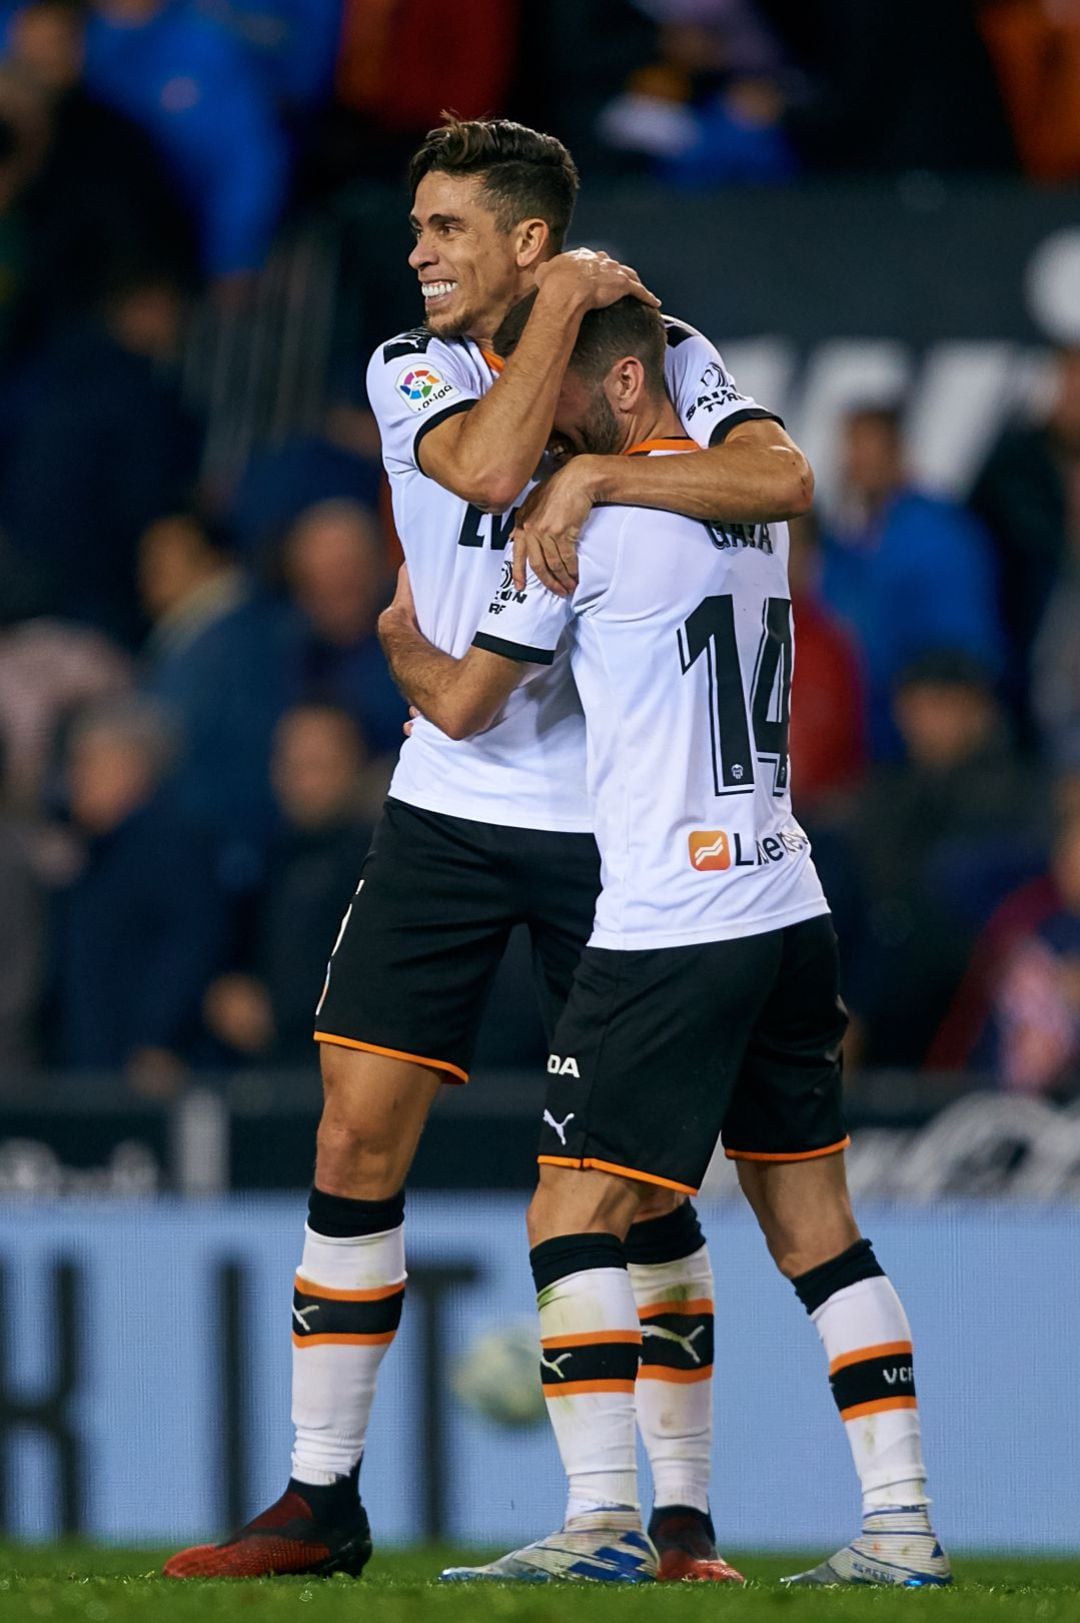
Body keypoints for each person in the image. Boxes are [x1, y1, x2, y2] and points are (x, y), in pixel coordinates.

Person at [164, 115, 809, 1585]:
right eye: (417, 228)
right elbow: (495, 466)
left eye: (448, 229)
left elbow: (775, 480)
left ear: (526, 238)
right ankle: (320, 1494)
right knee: (351, 1127)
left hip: (626, 818)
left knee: (638, 1179)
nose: (418, 255)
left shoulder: (670, 350)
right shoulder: (414, 367)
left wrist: (607, 478)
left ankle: (679, 1511)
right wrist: (573, 342)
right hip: (452, 796)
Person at [390, 293, 950, 1587]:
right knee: (817, 1228)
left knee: (568, 1205)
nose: (541, 435)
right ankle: (903, 1523)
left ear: (628, 384)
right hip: (783, 893)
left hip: (667, 922)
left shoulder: (585, 527)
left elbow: (471, 707)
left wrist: (407, 648)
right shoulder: (746, 501)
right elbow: (778, 464)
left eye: (562, 402)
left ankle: (599, 1519)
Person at [819, 403, 1003, 759]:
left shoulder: (942, 535)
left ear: (898, 452)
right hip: (861, 742)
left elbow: (966, 648)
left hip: (929, 743)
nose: (857, 462)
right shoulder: (847, 547)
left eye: (869, 448)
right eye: (852, 449)